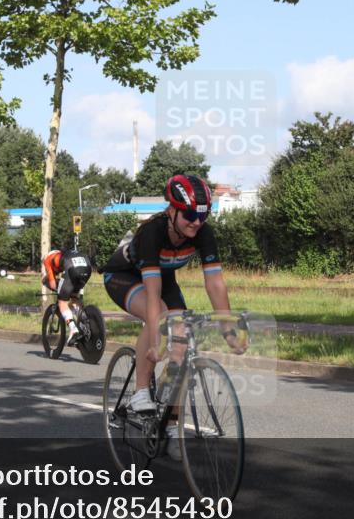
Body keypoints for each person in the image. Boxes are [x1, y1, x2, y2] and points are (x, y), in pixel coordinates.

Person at [102, 174, 246, 458]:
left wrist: (228, 329)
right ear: (172, 210)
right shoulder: (152, 233)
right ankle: (141, 391)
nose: (196, 222)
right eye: (190, 215)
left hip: (163, 279)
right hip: (124, 277)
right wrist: (155, 341)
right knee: (162, 317)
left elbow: (215, 283)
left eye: (202, 216)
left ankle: (170, 421)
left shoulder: (203, 232)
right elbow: (153, 295)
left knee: (182, 343)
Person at [42, 247, 93, 344]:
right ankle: (86, 322)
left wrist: (57, 288)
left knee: (62, 303)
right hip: (87, 267)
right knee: (74, 298)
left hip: (72, 269)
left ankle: (73, 330)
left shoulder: (47, 260)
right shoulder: (65, 253)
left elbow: (52, 284)